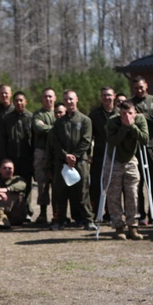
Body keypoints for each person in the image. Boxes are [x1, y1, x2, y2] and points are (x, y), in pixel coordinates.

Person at [48, 89, 95, 230]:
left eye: (71, 99)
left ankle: (87, 220)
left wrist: (74, 156)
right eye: (66, 99)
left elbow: (86, 141)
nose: (68, 102)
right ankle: (59, 220)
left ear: (77, 99)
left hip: (80, 163)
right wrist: (65, 156)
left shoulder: (85, 120)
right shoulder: (59, 122)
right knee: (60, 193)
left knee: (82, 193)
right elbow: (55, 142)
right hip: (62, 163)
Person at [105, 99, 148, 240]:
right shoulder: (113, 121)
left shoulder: (140, 119)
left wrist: (132, 126)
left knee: (133, 194)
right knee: (113, 194)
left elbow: (145, 139)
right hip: (114, 160)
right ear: (119, 113)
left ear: (135, 112)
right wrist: (124, 127)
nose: (127, 116)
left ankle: (133, 226)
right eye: (124, 113)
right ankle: (118, 227)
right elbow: (112, 141)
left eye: (130, 113)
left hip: (131, 160)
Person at [130, 76, 153, 224]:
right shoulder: (130, 102)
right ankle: (141, 214)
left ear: (146, 85)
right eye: (136, 88)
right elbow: (130, 119)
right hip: (137, 146)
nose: (139, 90)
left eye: (141, 87)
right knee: (138, 181)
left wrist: (142, 116)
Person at [0, 91, 33, 219]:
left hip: (26, 158)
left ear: (25, 102)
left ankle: (27, 210)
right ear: (13, 102)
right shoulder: (7, 119)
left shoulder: (31, 118)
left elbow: (34, 140)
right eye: (16, 100)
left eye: (21, 100)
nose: (19, 103)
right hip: (11, 159)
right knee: (10, 185)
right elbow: (2, 140)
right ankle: (10, 210)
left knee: (26, 185)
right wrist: (4, 159)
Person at [89, 86, 117, 224]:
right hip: (99, 155)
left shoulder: (119, 113)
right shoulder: (94, 115)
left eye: (109, 95)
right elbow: (88, 137)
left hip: (117, 155)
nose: (107, 98)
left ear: (114, 96)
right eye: (104, 95)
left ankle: (112, 213)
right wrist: (88, 153)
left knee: (114, 186)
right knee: (96, 185)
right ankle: (95, 214)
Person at [31, 88, 57, 224]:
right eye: (45, 96)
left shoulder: (59, 112)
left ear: (55, 98)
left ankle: (58, 214)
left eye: (50, 96)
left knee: (58, 185)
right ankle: (42, 213)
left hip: (57, 153)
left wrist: (49, 128)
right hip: (42, 153)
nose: (48, 99)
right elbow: (38, 128)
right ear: (42, 99)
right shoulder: (38, 115)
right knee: (42, 184)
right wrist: (56, 129)